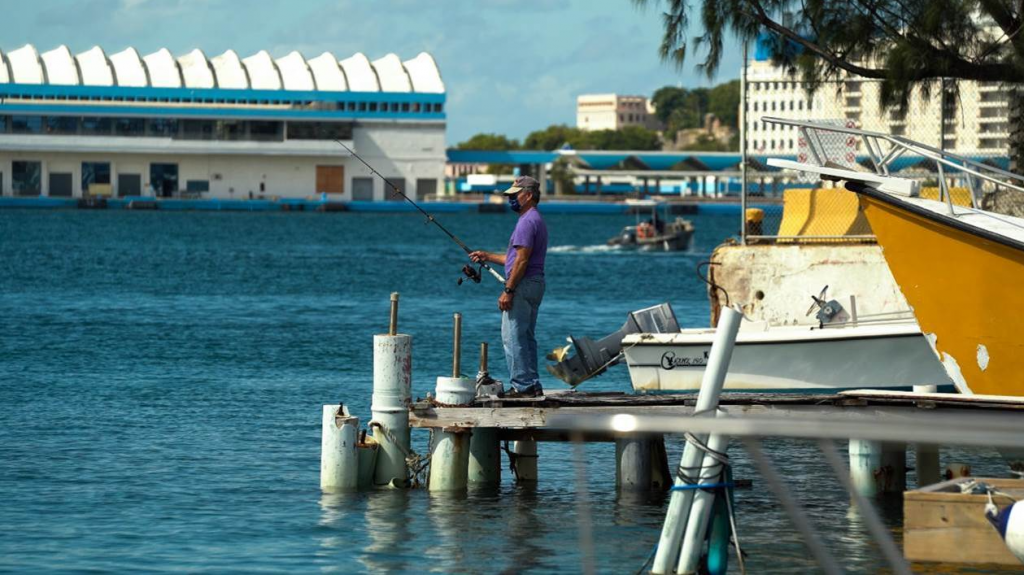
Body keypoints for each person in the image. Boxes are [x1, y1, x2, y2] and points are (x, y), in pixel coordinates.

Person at [469, 175, 549, 397]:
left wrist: (509, 290)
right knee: (526, 336)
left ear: (528, 195)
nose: (511, 199)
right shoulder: (536, 219)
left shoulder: (526, 221)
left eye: (515, 195)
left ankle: (523, 386)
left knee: (512, 337)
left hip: (522, 285)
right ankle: (532, 384)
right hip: (535, 283)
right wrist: (487, 256)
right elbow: (515, 258)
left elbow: (522, 261)